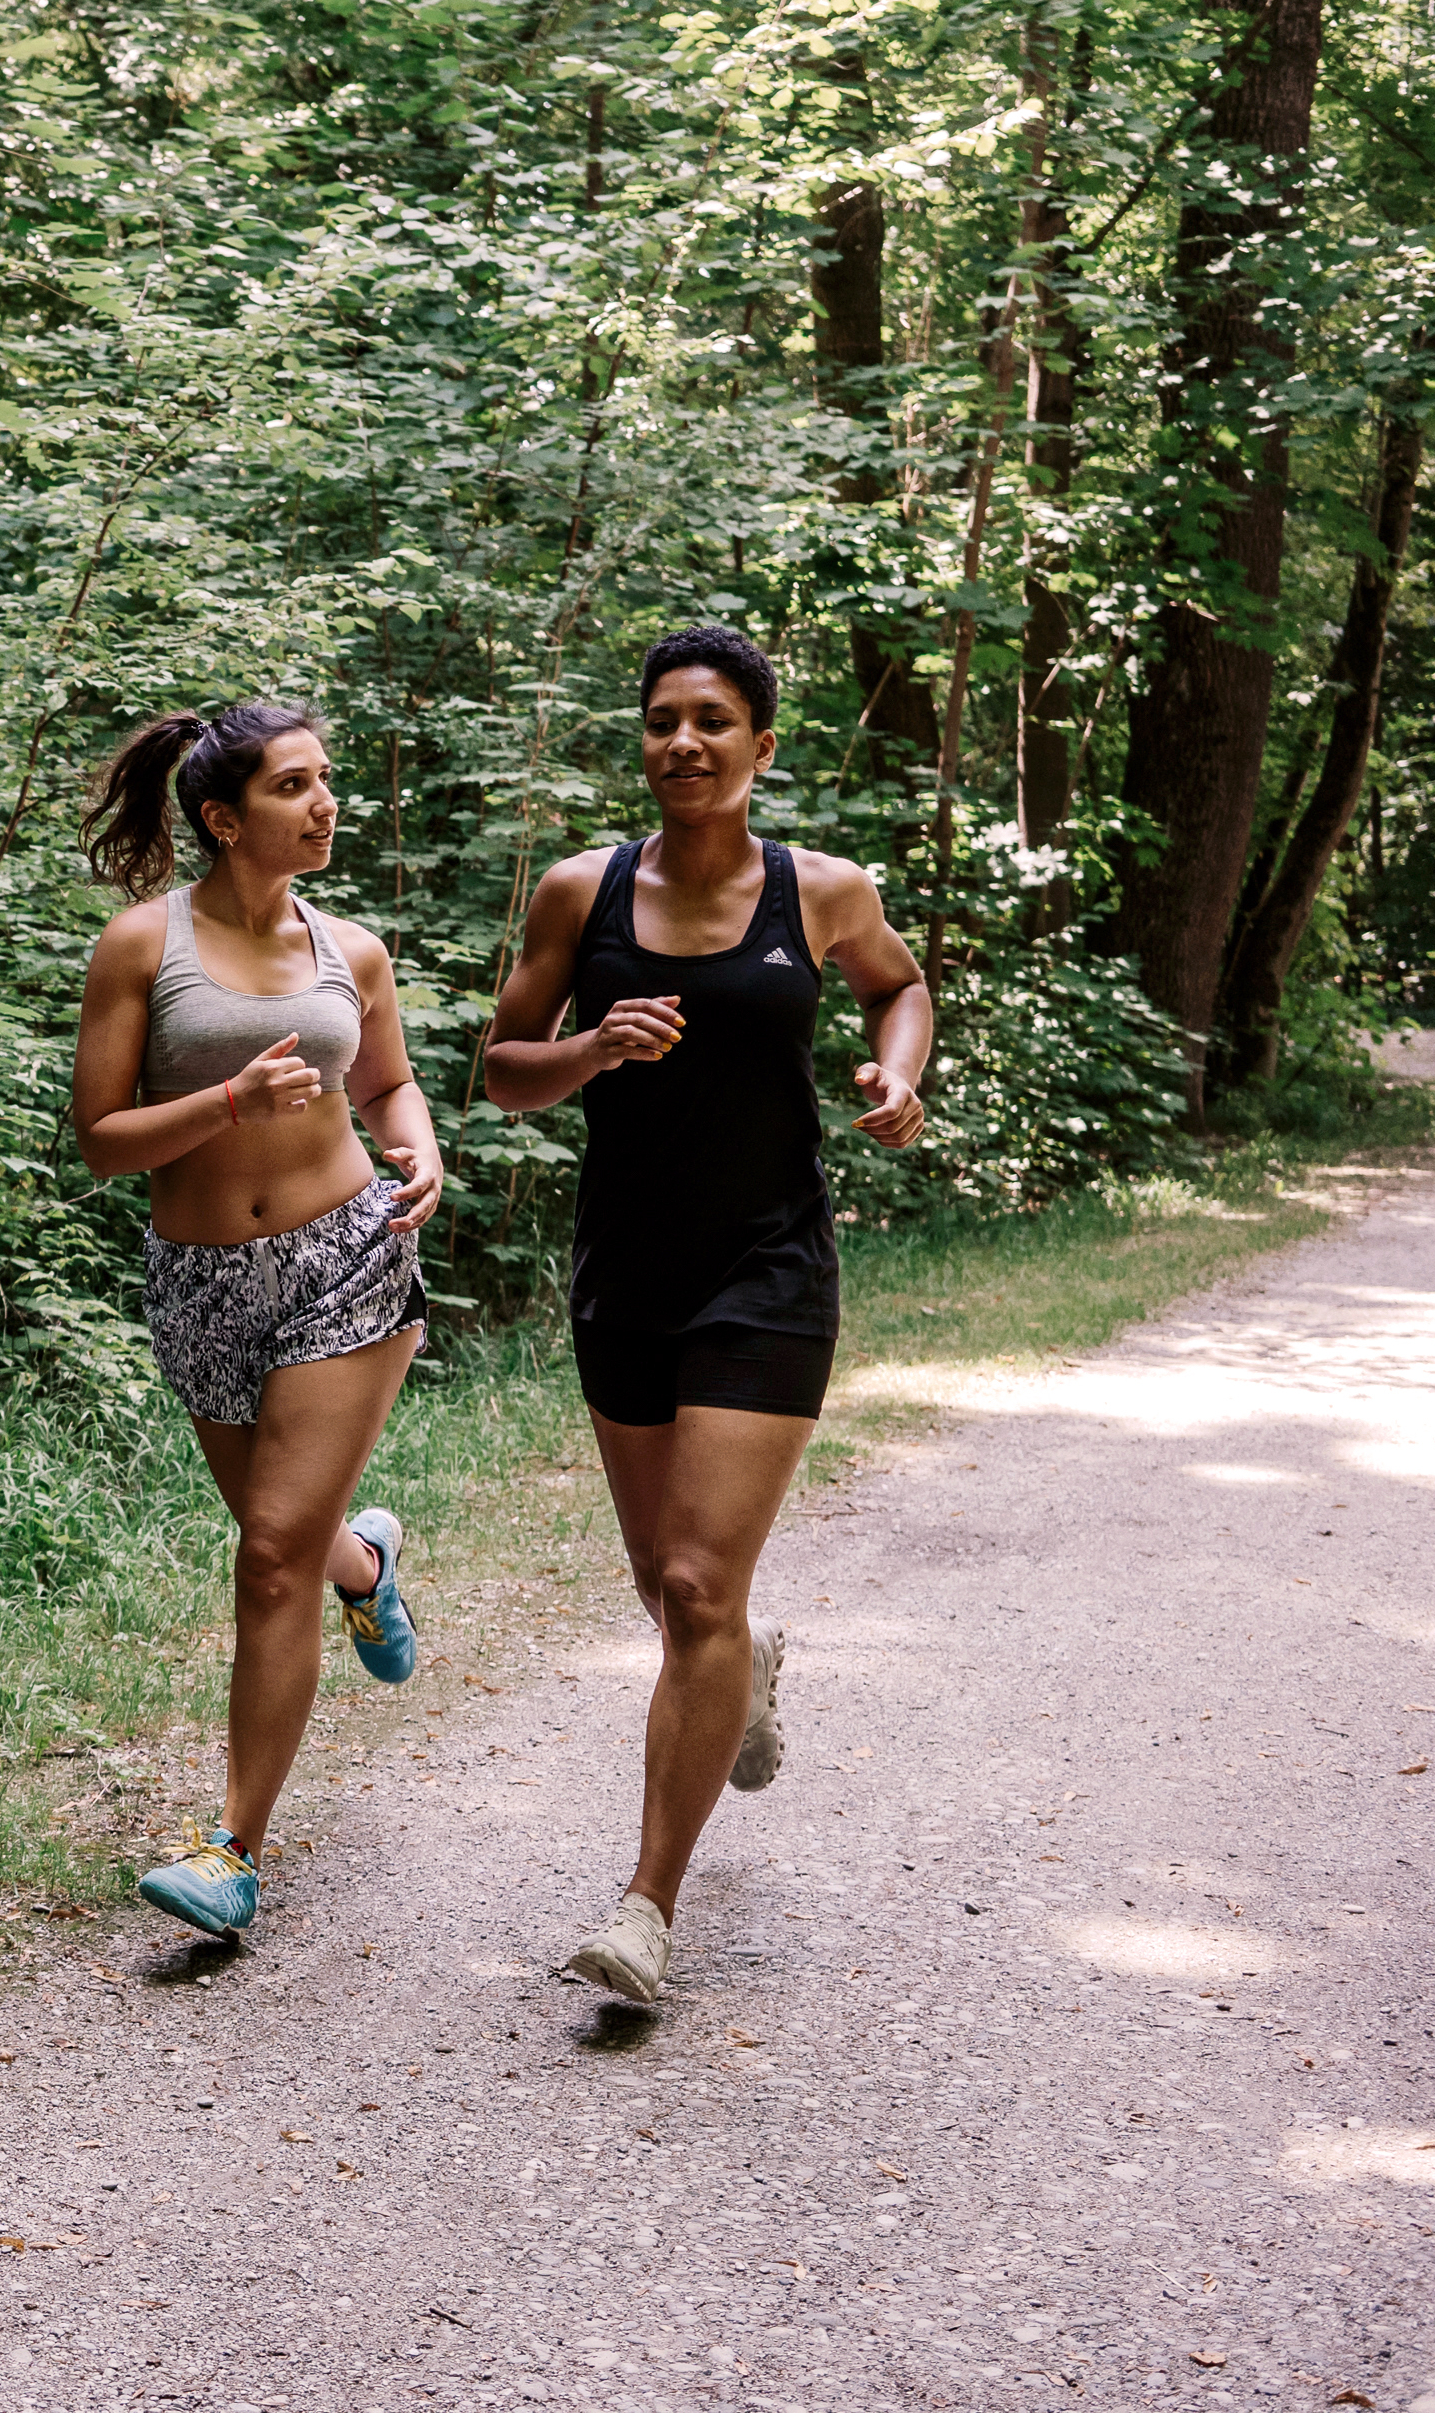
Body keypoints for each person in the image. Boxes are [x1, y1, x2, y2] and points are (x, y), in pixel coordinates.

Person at [478, 624, 931, 2003]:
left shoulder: (824, 889)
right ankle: (746, 1678)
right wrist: (592, 1047)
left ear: (761, 746)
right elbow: (501, 1068)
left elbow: (899, 985)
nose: (683, 740)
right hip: (627, 1270)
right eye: (663, 718)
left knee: (693, 1585)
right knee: (669, 1589)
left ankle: (645, 1906)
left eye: (714, 720)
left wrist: (898, 1074)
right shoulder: (580, 891)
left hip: (769, 1266)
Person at [72, 701, 449, 1939]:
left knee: (266, 1556)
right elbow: (102, 1144)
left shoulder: (355, 950)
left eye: (326, 780)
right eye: (294, 786)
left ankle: (231, 1849)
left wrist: (419, 1148)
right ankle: (368, 1562)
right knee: (289, 1544)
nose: (324, 802)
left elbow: (387, 1080)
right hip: (199, 1282)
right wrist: (226, 1101)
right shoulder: (140, 947)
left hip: (347, 1258)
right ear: (226, 820)